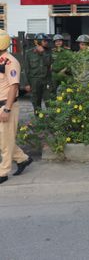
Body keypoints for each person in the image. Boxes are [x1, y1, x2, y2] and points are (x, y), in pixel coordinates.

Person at [0, 29, 33, 184]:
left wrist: (7, 109)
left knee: (5, 141)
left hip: (7, 105)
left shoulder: (10, 61)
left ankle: (3, 172)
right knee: (3, 139)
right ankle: (22, 159)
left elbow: (14, 87)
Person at [23, 33, 52, 114]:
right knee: (36, 102)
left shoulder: (48, 52)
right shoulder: (29, 53)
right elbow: (26, 69)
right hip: (34, 81)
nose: (46, 42)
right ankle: (39, 121)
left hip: (46, 80)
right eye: (44, 41)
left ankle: (52, 121)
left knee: (49, 101)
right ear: (38, 42)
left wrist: (43, 53)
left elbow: (49, 63)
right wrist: (27, 83)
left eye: (47, 41)